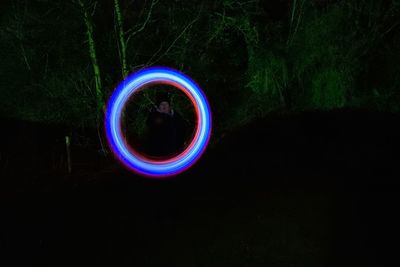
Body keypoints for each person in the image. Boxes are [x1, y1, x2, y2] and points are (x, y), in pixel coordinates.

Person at [144, 91, 189, 158]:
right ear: (158, 106)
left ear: (169, 106)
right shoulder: (154, 116)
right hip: (158, 153)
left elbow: (183, 128)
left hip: (174, 152)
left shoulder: (176, 116)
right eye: (162, 104)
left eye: (166, 104)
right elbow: (154, 124)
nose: (164, 106)